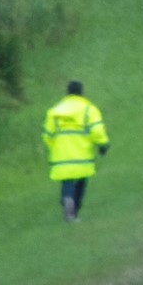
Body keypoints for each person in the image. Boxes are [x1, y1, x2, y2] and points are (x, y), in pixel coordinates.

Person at [43, 80, 110, 222]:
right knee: (81, 180)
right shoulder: (88, 109)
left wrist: (53, 147)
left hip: (61, 154)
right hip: (82, 154)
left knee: (66, 180)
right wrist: (102, 145)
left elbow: (48, 135)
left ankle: (67, 201)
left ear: (67, 92)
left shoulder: (55, 110)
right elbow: (96, 130)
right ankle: (75, 209)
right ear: (81, 92)